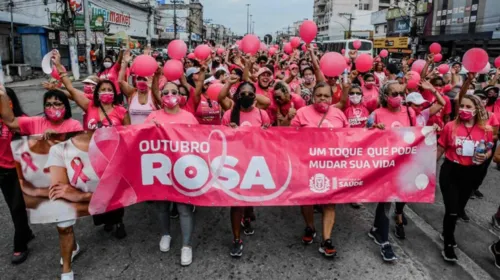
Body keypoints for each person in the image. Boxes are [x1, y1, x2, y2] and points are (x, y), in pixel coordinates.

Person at [54, 51, 129, 238]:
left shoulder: (121, 111)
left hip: (113, 159)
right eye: (102, 90)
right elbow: (71, 89)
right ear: (97, 93)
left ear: (115, 93)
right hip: (90, 158)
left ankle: (118, 220)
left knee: (115, 191)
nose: (106, 93)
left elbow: (129, 134)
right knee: (97, 190)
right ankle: (105, 218)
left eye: (110, 90)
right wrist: (58, 67)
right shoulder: (89, 107)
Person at [291, 82, 349, 258]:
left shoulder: (339, 114)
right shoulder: (301, 113)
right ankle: (310, 227)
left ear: (331, 98)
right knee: (307, 200)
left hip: (331, 166)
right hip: (306, 165)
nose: (322, 99)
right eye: (319, 95)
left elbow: (350, 138)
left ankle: (326, 240)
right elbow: (288, 137)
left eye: (326, 96)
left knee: (329, 203)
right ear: (313, 97)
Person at [144, 82, 197, 266]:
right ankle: (165, 234)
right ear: (160, 96)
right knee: (161, 206)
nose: (170, 95)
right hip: (160, 169)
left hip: (183, 169)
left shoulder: (189, 117)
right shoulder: (153, 116)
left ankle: (186, 245)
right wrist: (150, 129)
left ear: (180, 96)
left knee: (183, 208)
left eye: (174, 92)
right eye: (165, 92)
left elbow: (199, 142)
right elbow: (141, 141)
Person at [437, 92, 492, 262]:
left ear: (477, 110)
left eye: (468, 107)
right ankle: (448, 243)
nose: (463, 109)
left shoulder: (485, 129)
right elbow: (440, 148)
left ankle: (446, 231)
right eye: (462, 106)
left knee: (459, 209)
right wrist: (427, 166)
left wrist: (486, 155)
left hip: (471, 173)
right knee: (452, 210)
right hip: (451, 171)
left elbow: (488, 148)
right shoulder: (450, 126)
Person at [368, 80, 416, 262]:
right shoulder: (376, 114)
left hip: (403, 164)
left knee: (390, 199)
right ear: (385, 96)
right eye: (394, 94)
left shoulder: (410, 112)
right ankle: (385, 242)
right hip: (384, 165)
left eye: (401, 93)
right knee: (387, 200)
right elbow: (363, 139)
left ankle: (375, 230)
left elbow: (417, 133)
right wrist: (373, 129)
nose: (399, 97)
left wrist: (431, 130)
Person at [221, 81, 271, 258]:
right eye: (243, 93)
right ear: (238, 96)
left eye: (251, 93)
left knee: (250, 197)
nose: (247, 96)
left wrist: (266, 131)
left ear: (255, 95)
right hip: (235, 163)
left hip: (256, 162)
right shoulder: (229, 114)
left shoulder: (262, 114)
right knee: (236, 202)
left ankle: (248, 214)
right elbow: (220, 140)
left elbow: (269, 138)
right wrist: (229, 130)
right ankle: (236, 239)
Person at [0, 87, 34, 264]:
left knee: (17, 207)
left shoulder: (21, 121)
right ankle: (26, 232)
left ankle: (20, 245)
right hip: (2, 171)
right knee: (14, 206)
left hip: (19, 170)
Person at [119, 50, 159, 125]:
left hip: (151, 134)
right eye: (139, 79)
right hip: (135, 134)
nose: (141, 81)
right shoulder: (132, 93)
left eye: (144, 79)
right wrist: (125, 63)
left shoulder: (154, 95)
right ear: (135, 81)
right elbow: (120, 82)